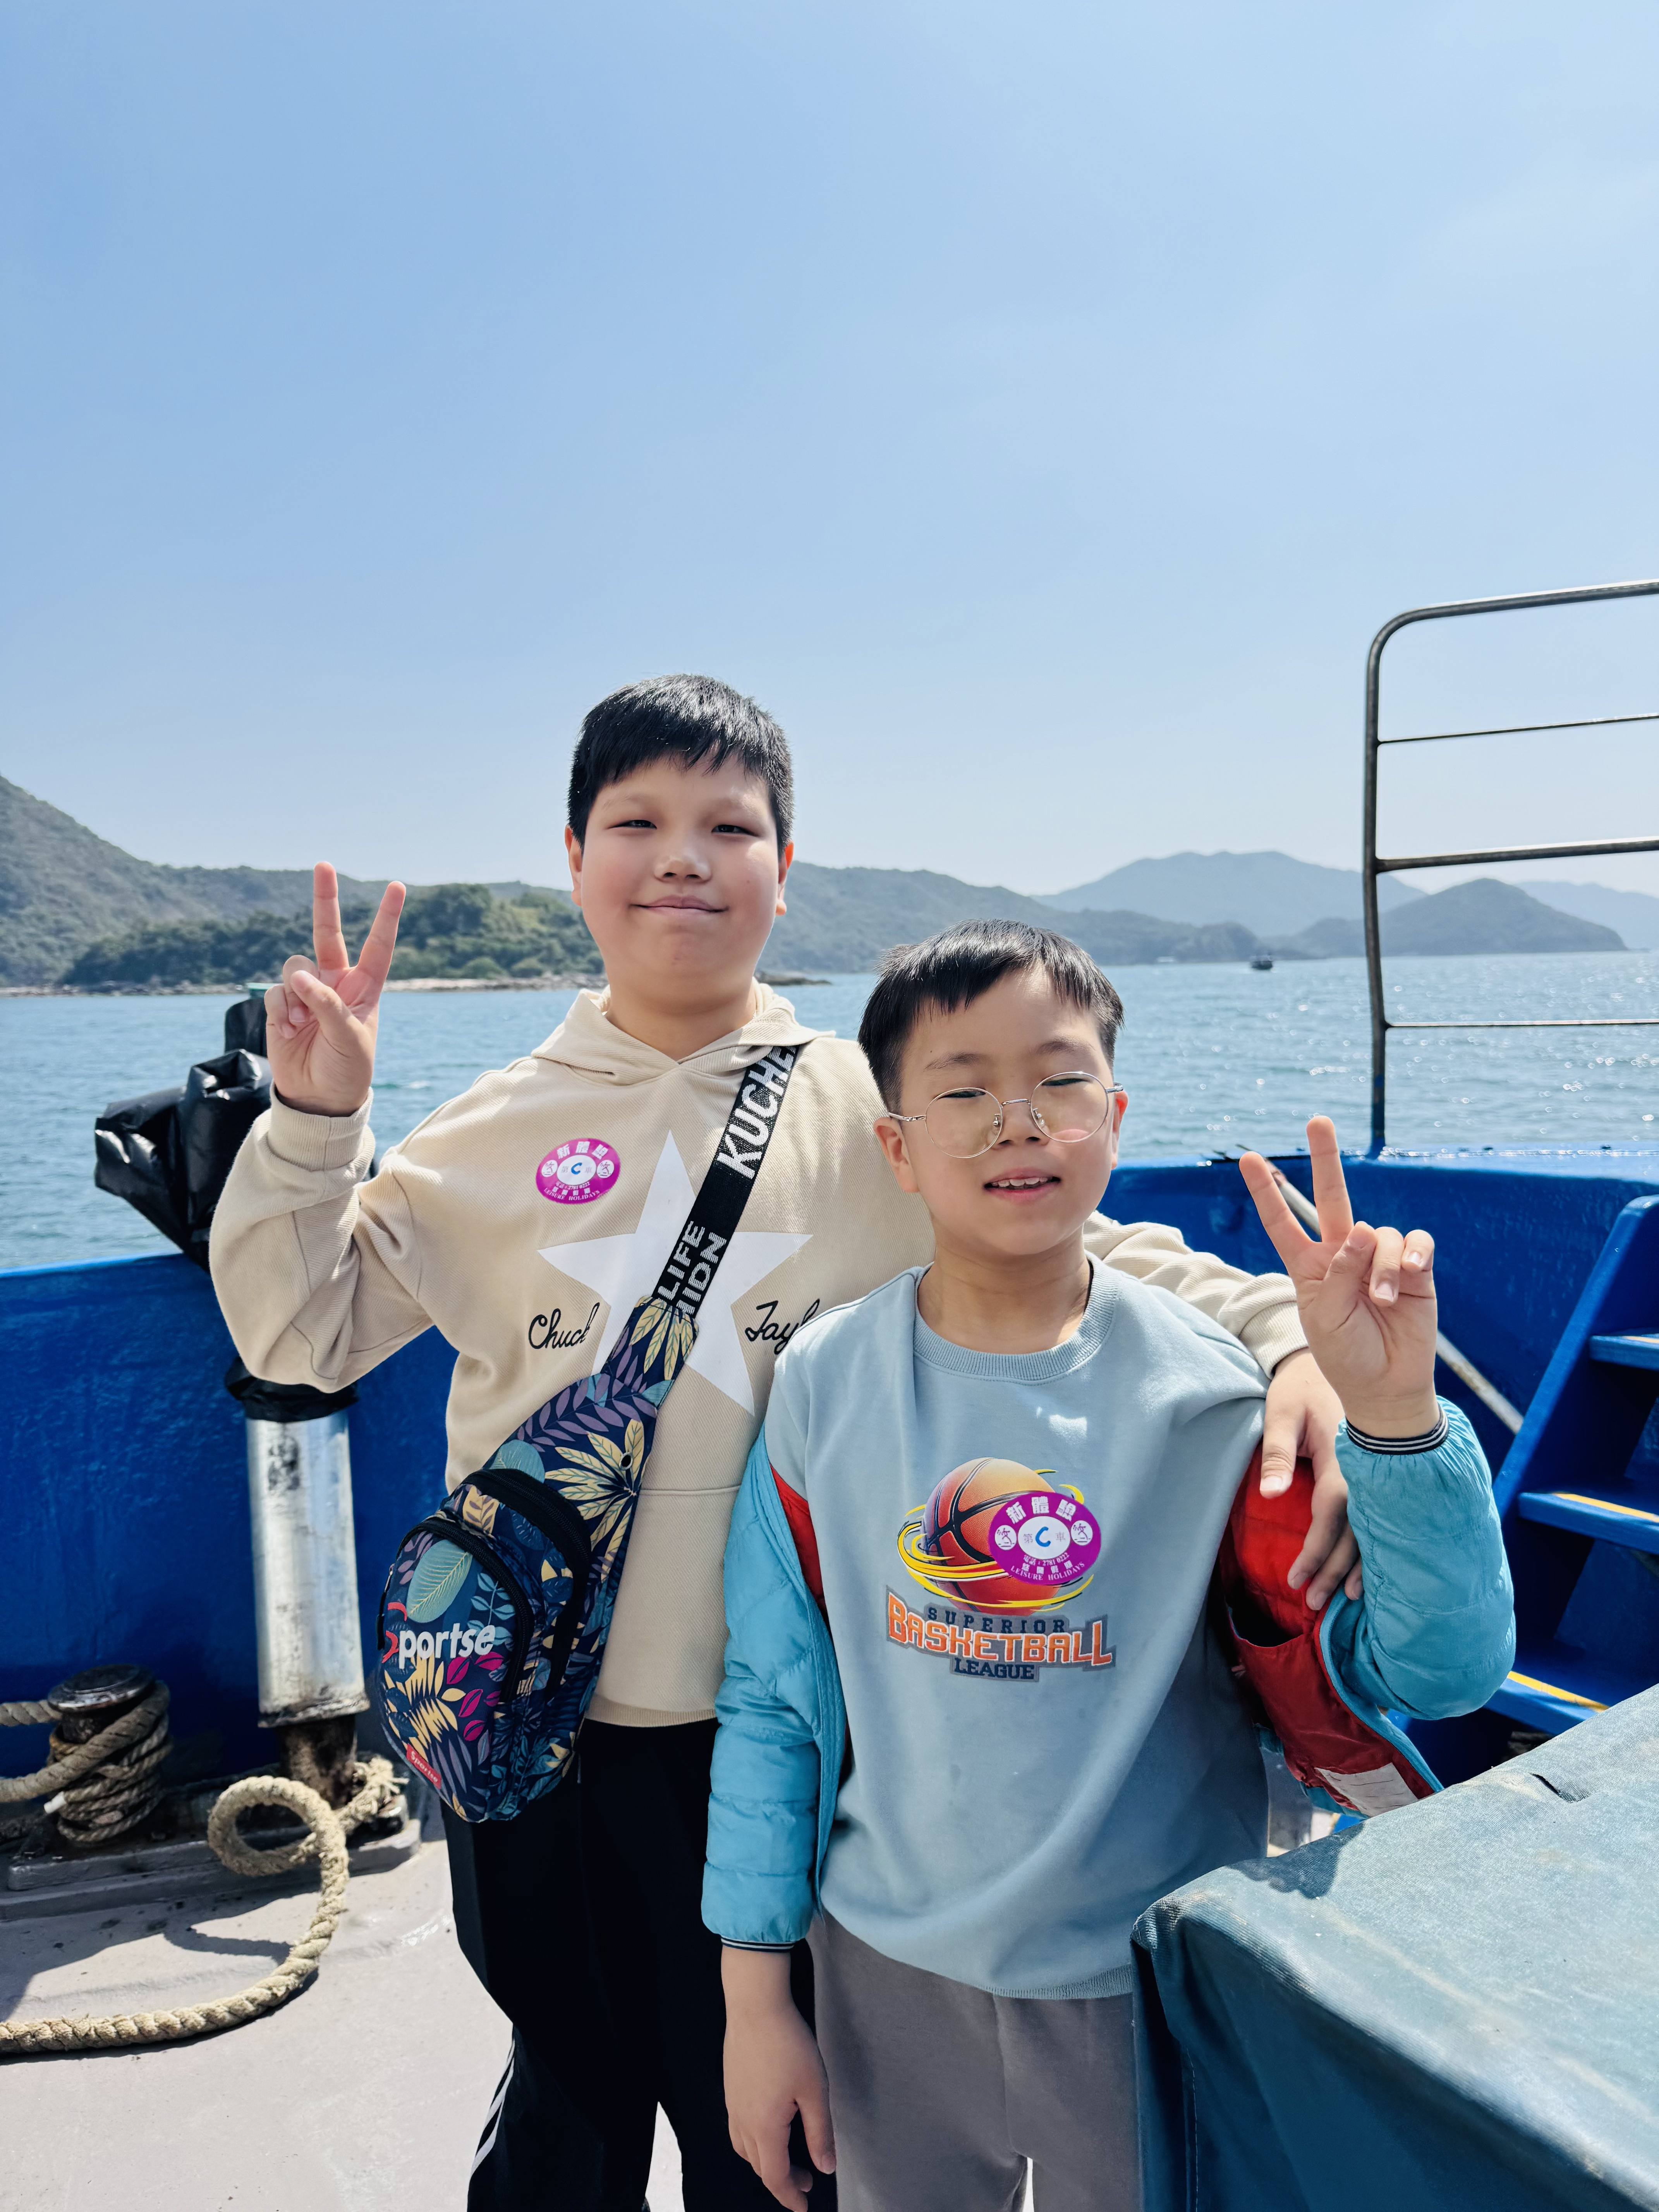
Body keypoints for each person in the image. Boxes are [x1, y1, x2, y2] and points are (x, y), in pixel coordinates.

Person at [210, 676, 1352, 2212]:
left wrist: (1293, 1339)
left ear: (784, 869)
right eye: (638, 822)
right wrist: (311, 1123)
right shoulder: (484, 1130)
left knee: (770, 2138)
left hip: (795, 1736)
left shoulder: (872, 1107)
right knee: (564, 2090)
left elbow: (1088, 1257)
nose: (683, 857)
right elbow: (298, 1334)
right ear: (574, 858)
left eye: (729, 826)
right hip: (530, 1734)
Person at [706, 920, 1516, 2212]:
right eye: (962, 1090)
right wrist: (755, 1999)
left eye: (1059, 1081)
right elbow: (772, 1701)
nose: (1016, 1122)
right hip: (881, 1973)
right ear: (896, 1148)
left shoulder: (1221, 1397)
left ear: (1115, 1117)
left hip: (1153, 1978)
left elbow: (1443, 1672)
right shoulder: (822, 1384)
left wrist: (1396, 1422)